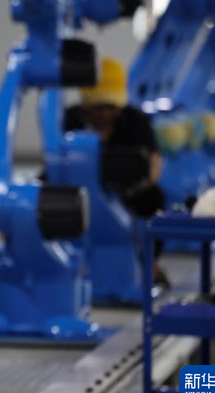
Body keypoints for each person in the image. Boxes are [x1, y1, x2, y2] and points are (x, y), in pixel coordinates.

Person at [64, 57, 168, 284]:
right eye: (98, 108)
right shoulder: (69, 120)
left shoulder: (136, 122)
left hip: (128, 191)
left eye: (110, 108)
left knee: (155, 199)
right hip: (78, 189)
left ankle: (150, 261)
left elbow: (154, 163)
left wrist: (140, 184)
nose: (104, 114)